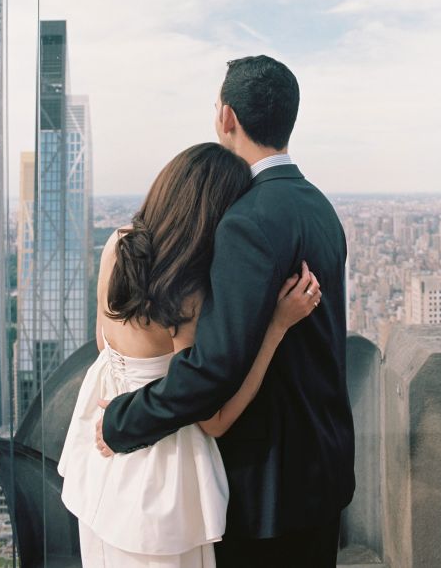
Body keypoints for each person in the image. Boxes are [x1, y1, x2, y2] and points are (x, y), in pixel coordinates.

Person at [97, 56, 355, 568]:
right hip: (324, 470)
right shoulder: (319, 206)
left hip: (267, 488)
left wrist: (122, 422)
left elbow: (213, 366)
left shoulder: (245, 221)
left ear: (227, 118)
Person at [57, 141, 321, 567]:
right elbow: (214, 421)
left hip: (98, 447)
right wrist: (276, 328)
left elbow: (103, 342)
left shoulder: (117, 246)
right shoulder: (188, 294)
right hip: (160, 470)